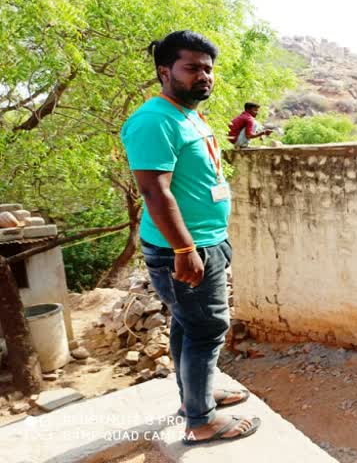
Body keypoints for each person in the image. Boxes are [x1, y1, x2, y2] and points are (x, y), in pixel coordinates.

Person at [120, 30, 259, 446]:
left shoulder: (187, 113)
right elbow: (154, 191)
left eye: (208, 69)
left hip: (205, 242)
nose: (205, 76)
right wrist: (184, 249)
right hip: (184, 249)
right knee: (207, 328)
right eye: (192, 67)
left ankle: (194, 395)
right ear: (165, 71)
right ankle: (201, 420)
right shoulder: (153, 120)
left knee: (189, 323)